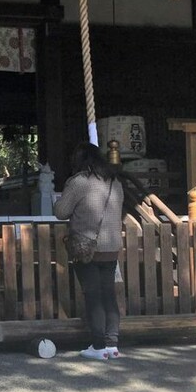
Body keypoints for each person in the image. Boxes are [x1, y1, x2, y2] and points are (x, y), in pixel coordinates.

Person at [54, 142, 125, 360]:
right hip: (111, 247)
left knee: (93, 295)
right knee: (108, 294)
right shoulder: (115, 182)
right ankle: (112, 344)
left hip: (86, 247)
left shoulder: (79, 182)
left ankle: (98, 346)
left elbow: (61, 212)